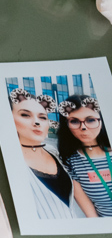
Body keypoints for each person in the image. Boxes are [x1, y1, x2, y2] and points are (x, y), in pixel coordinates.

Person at [8, 89, 92, 219]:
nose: (37, 122)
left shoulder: (53, 151)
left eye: (42, 117)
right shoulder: (8, 160)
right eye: (25, 115)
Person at [58, 94, 112, 217]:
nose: (83, 127)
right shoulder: (70, 161)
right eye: (74, 121)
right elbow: (91, 214)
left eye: (90, 120)